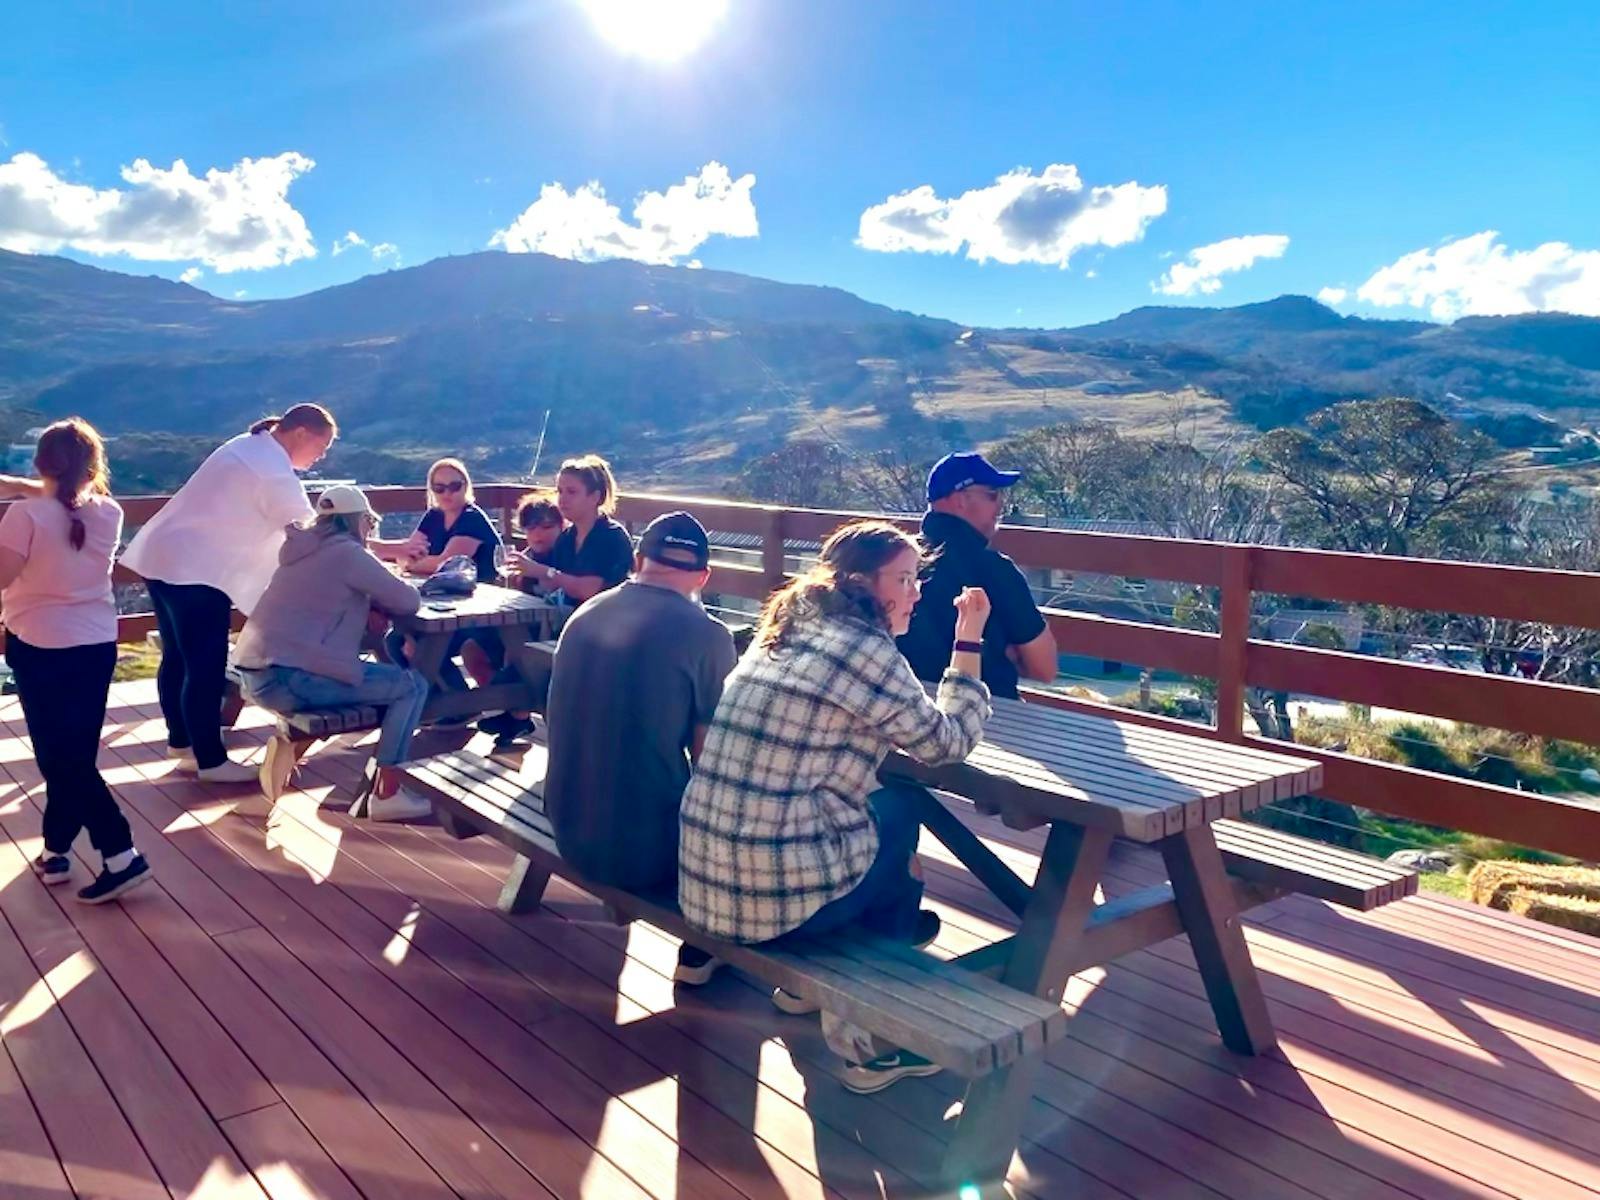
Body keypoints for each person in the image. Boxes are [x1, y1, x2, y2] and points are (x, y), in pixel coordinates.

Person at [679, 519, 992, 1093]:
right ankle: (876, 1042)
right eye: (903, 578)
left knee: (883, 836)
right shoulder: (862, 648)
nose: (916, 590)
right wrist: (967, 638)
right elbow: (946, 744)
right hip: (766, 903)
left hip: (707, 887)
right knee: (898, 826)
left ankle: (811, 989)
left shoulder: (791, 625)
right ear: (859, 582)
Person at [543, 511, 737, 954]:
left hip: (567, 826)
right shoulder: (708, 634)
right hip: (640, 852)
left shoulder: (586, 613)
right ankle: (707, 952)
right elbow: (713, 762)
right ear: (704, 577)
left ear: (637, 560)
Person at [122, 403, 337, 782]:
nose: (321, 457)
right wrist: (385, 550)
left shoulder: (248, 444)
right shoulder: (271, 470)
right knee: (204, 665)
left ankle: (182, 741)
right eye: (321, 447)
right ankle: (209, 761)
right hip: (195, 571)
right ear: (301, 433)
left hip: (166, 557)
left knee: (177, 657)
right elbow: (310, 532)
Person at [0, 419, 153, 903]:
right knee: (74, 756)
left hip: (40, 645)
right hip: (95, 645)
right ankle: (55, 851)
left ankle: (121, 853)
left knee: (59, 758)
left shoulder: (24, 517)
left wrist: (19, 493)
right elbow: (65, 499)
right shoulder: (109, 511)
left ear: (42, 462)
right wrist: (21, 488)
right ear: (93, 466)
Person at [232, 485, 434, 822]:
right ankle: (388, 792)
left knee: (383, 681)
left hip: (257, 673)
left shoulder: (303, 550)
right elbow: (407, 602)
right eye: (369, 523)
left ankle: (295, 742)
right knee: (411, 686)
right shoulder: (347, 554)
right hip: (290, 677)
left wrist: (364, 605)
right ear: (357, 521)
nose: (369, 531)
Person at [897, 451, 1058, 700]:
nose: (1000, 504)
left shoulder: (896, 562)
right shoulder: (995, 570)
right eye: (992, 494)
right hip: (989, 714)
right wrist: (1004, 652)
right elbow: (1044, 668)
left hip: (909, 705)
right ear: (961, 500)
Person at [374, 458, 505, 691]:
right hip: (443, 603)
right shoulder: (434, 516)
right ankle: (443, 702)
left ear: (466, 486)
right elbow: (409, 553)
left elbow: (446, 564)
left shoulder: (472, 519)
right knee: (394, 640)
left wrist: (415, 561)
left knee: (422, 643)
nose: (447, 493)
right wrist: (414, 559)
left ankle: (454, 703)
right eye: (439, 487)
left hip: (480, 610)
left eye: (455, 486)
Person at [530, 454, 633, 604]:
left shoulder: (612, 536)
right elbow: (554, 586)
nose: (562, 499)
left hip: (606, 619)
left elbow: (589, 590)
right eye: (560, 491)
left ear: (595, 497)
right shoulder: (566, 538)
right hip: (569, 617)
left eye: (571, 492)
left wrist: (543, 572)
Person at [504, 492, 566, 595]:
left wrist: (541, 572)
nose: (538, 534)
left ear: (561, 527)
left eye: (546, 527)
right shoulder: (525, 558)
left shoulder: (569, 556)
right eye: (531, 528)